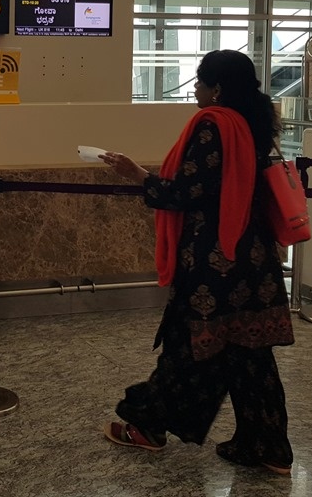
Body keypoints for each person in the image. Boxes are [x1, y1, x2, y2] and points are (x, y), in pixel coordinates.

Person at [99, 49, 295, 476]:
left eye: (200, 81)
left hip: (214, 259)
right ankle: (269, 447)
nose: (195, 89)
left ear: (217, 88)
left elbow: (188, 192)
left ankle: (148, 427)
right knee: (250, 354)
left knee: (188, 347)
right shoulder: (255, 122)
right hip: (253, 258)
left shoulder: (213, 125)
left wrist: (139, 175)